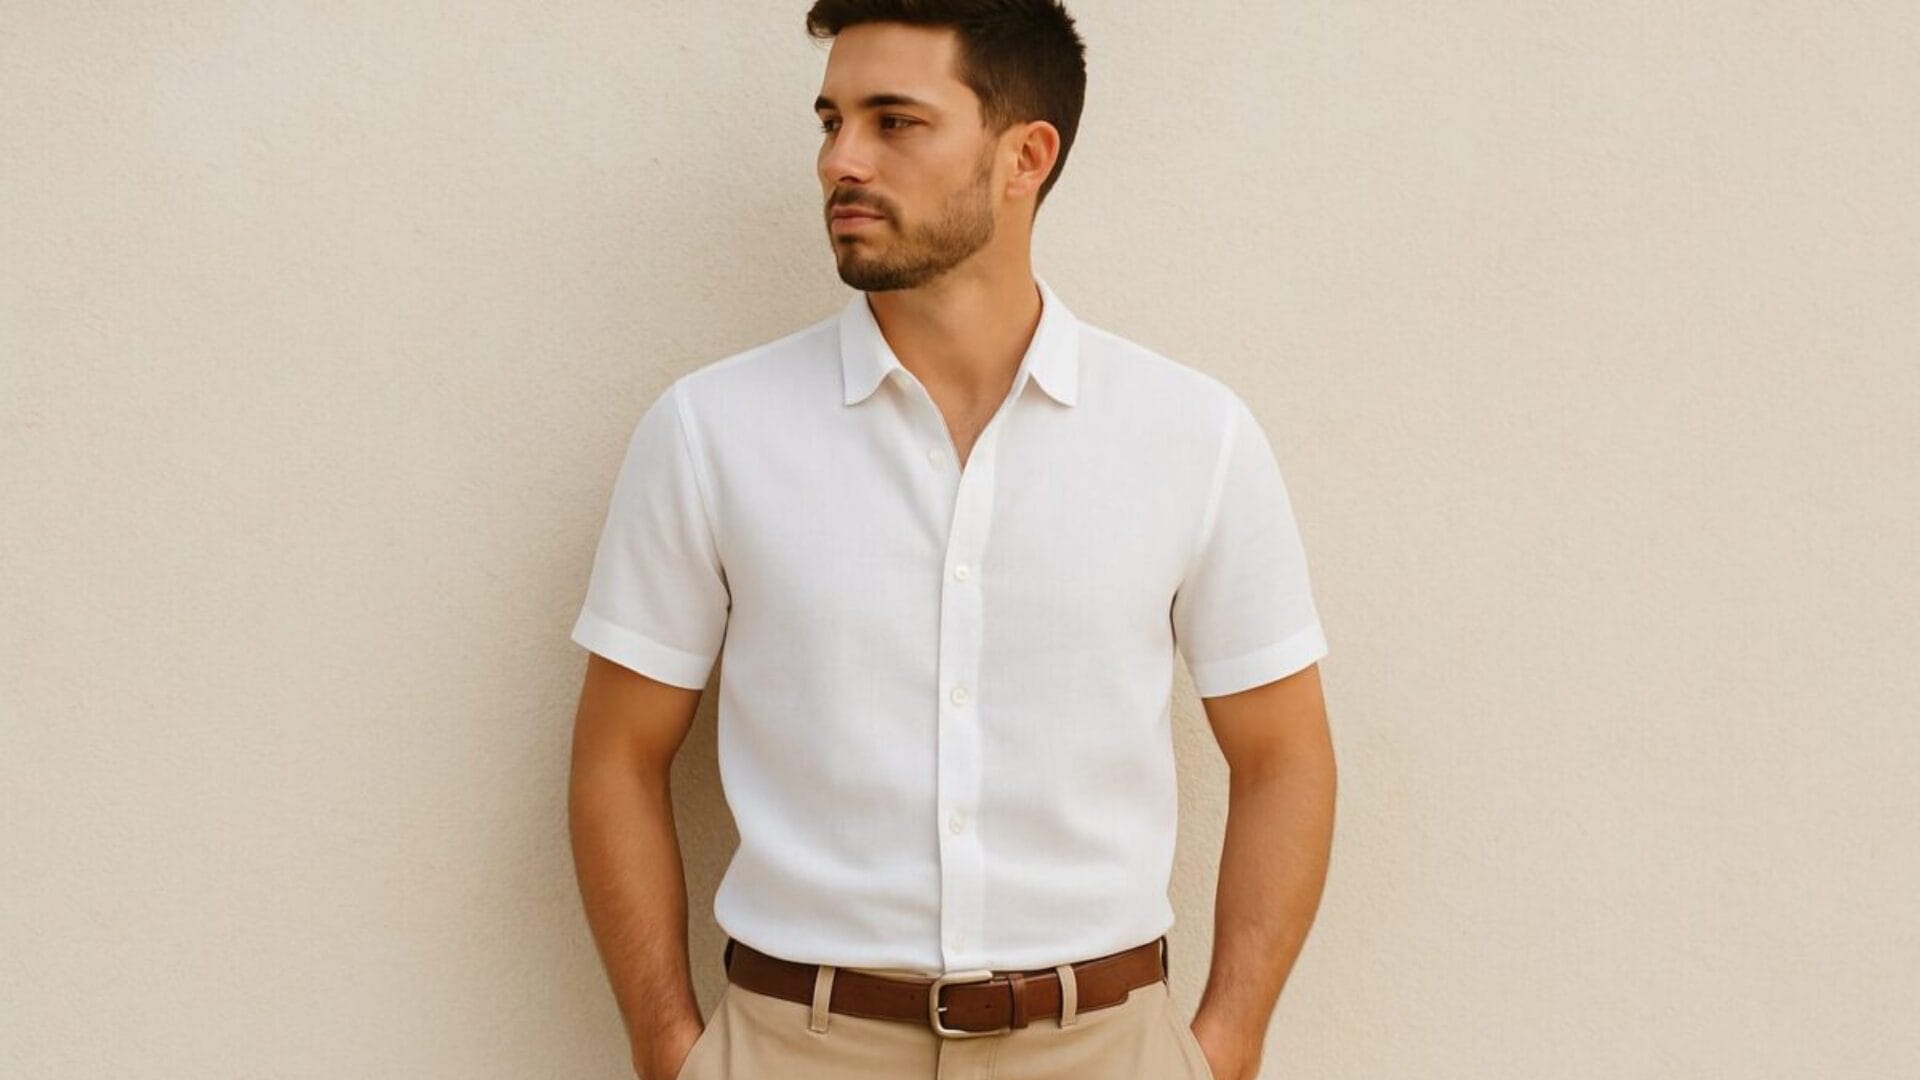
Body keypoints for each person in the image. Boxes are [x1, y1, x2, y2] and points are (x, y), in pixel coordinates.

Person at [566, 3, 1335, 1078]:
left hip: (1104, 1048)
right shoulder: (711, 432)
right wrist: (669, 1046)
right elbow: (616, 755)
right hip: (796, 1046)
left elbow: (1285, 757)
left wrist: (1226, 1043)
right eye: (831, 120)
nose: (843, 160)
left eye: (896, 122)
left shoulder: (1190, 435)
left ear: (1025, 156)